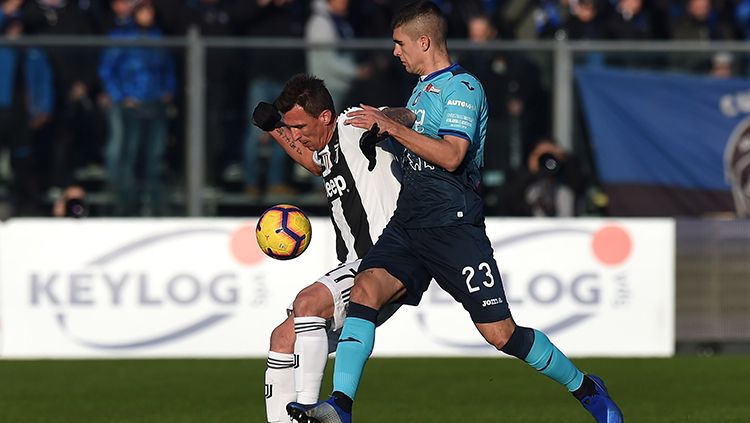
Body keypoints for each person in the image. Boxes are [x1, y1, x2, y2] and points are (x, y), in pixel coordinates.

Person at [287, 2, 623, 423]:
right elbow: (414, 121)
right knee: (364, 290)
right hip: (408, 224)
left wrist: (392, 127)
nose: (395, 52)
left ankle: (586, 388)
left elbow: (451, 154)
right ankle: (340, 405)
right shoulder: (422, 90)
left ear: (424, 42)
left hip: (452, 225)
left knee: (501, 334)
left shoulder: (464, 88)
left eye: (400, 43)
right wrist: (385, 119)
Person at [251, 74, 415, 423]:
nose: (295, 134)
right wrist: (274, 129)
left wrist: (388, 121)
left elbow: (405, 116)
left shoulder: (353, 126)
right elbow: (313, 162)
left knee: (308, 302)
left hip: (385, 259)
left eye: (298, 126)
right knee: (283, 339)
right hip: (359, 264)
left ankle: (312, 411)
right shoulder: (326, 150)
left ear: (325, 117)